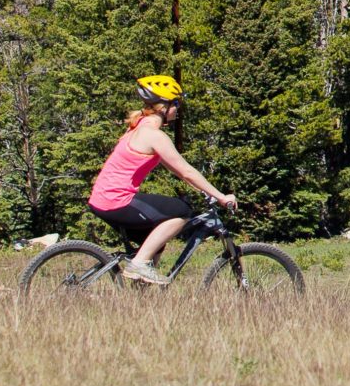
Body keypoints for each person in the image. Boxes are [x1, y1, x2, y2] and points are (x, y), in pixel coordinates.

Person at [86, 74, 237, 286]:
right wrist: (220, 196)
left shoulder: (139, 128)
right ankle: (138, 264)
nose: (178, 110)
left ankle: (142, 291)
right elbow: (186, 171)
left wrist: (202, 189)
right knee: (182, 212)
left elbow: (176, 170)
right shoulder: (153, 135)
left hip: (104, 199)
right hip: (116, 200)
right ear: (163, 107)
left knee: (157, 241)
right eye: (176, 104)